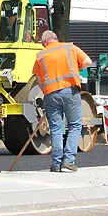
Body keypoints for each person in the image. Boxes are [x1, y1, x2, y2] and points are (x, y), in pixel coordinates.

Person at [32, 30, 92, 172]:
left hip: (51, 94)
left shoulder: (40, 56)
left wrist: (47, 92)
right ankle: (68, 162)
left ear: (45, 42)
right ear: (55, 39)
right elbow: (88, 62)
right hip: (70, 91)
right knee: (75, 125)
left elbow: (39, 79)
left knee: (56, 128)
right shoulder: (70, 48)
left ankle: (56, 164)